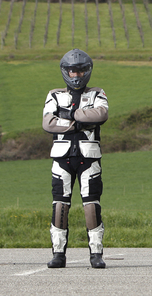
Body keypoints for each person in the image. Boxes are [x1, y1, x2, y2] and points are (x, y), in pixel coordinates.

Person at [42, 48, 109, 269]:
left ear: (87, 71)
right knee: (60, 204)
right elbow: (48, 123)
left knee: (91, 204)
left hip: (89, 157)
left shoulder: (98, 93)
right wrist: (81, 121)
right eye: (72, 71)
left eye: (80, 71)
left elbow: (100, 115)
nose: (76, 76)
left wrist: (68, 115)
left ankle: (96, 253)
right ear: (65, 72)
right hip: (62, 157)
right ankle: (58, 253)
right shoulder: (54, 95)